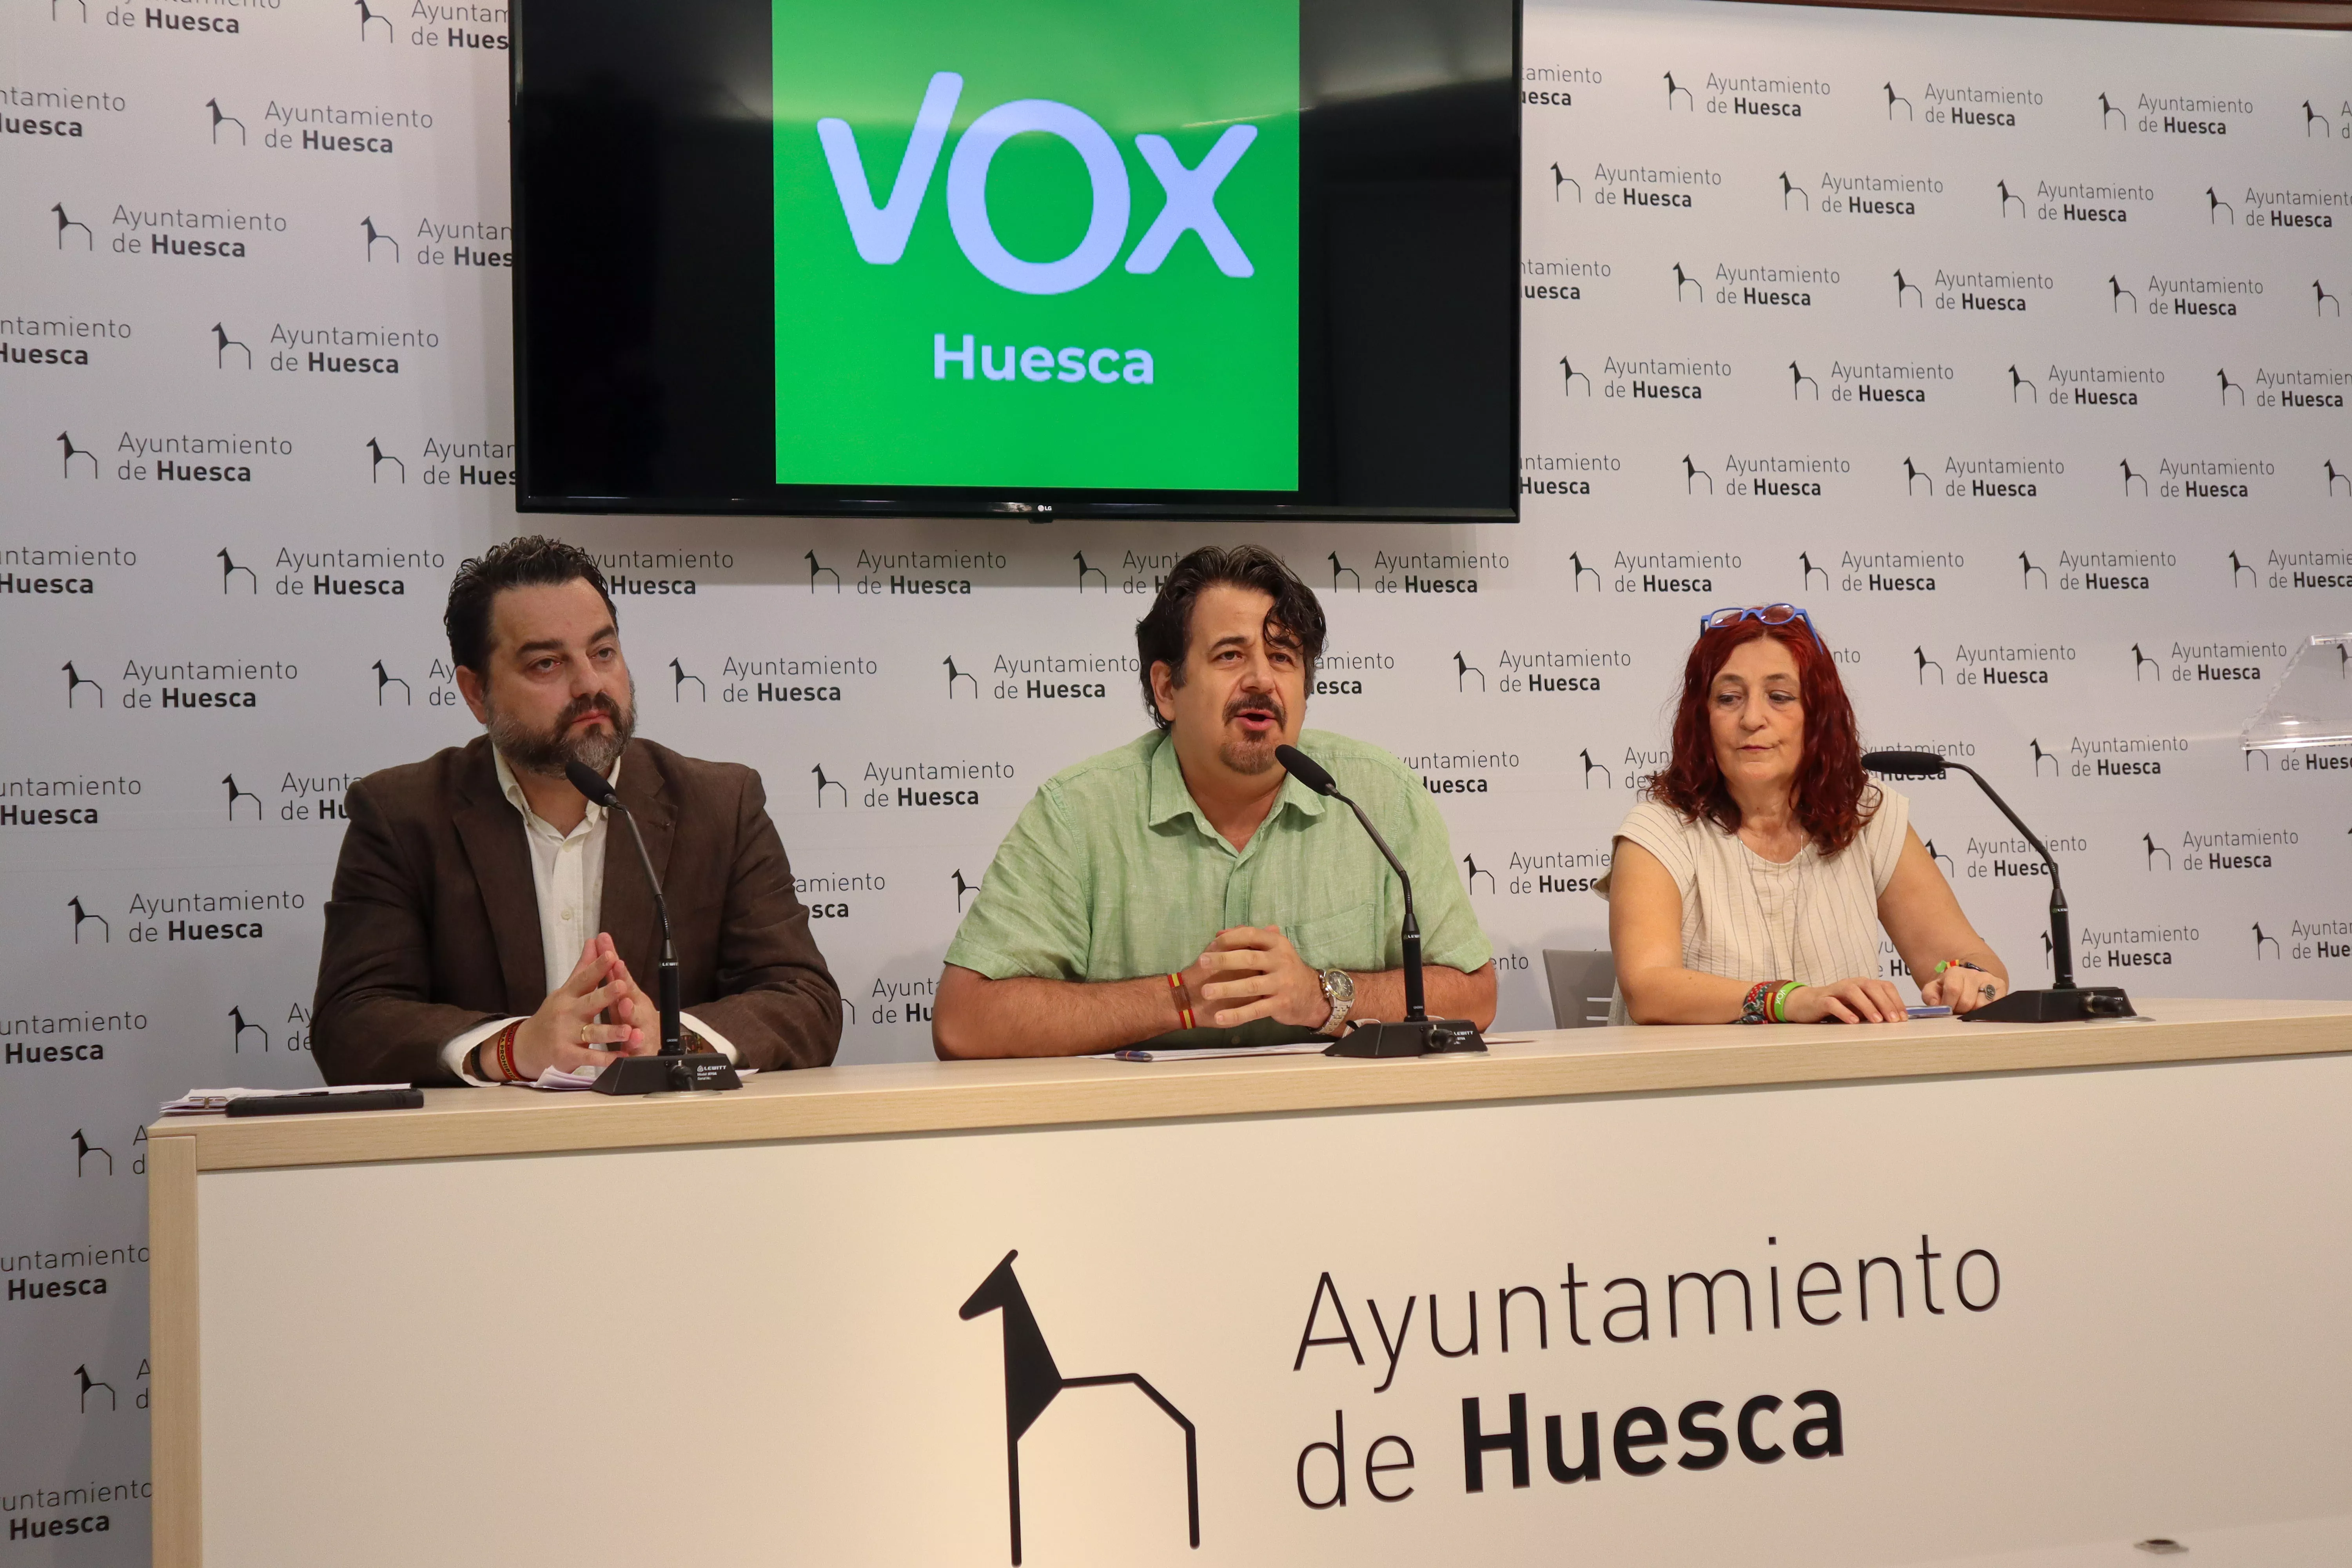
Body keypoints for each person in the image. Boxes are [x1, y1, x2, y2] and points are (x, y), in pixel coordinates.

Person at [312, 536, 842, 1085]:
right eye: (547, 664)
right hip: (485, 1159)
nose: (590, 684)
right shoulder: (402, 816)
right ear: (476, 693)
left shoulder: (720, 804)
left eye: (603, 653)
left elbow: (805, 1001)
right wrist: (512, 1047)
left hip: (676, 1153)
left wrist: (674, 1036)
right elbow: (352, 1022)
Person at [933, 545, 1495, 1058]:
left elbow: (1475, 993)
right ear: (1167, 689)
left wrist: (1324, 996)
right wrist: (1178, 999)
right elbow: (965, 1022)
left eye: (1283, 657)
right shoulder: (1078, 814)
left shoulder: (1376, 798)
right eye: (1230, 656)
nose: (1261, 680)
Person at [1604, 604, 2008, 1025]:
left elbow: (1973, 960)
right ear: (1702, 719)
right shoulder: (1659, 830)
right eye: (1728, 698)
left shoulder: (1868, 815)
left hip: (1843, 1082)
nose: (1752, 719)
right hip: (1699, 1085)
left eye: (1779, 697)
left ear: (1818, 716)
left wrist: (1970, 978)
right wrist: (1788, 1000)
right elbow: (1648, 990)